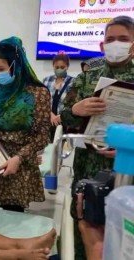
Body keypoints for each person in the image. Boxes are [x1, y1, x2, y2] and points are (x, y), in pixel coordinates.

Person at [60, 15, 134, 260]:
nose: (116, 44)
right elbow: (63, 117)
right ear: (102, 45)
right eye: (110, 39)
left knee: (123, 239)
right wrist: (75, 110)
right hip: (87, 172)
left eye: (123, 39)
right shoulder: (86, 78)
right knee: (83, 233)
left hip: (128, 177)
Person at [0, 36, 51, 213]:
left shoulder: (37, 93)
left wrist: (19, 157)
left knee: (12, 218)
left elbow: (42, 135)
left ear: (16, 64)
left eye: (1, 68)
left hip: (18, 164)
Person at [42, 54, 75, 142]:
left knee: (61, 149)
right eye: (57, 67)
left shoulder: (74, 82)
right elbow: (42, 101)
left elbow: (74, 103)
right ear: (53, 66)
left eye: (62, 67)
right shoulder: (46, 80)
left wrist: (61, 116)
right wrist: (50, 114)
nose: (59, 69)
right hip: (47, 121)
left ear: (67, 66)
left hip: (64, 122)